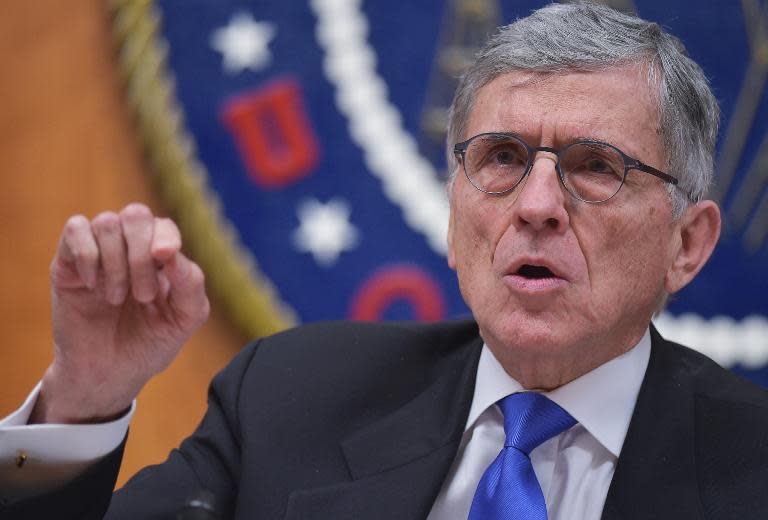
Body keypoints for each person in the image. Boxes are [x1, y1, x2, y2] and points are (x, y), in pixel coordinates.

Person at [2, 2, 767, 519]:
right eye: (501, 157)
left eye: (596, 166)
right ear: (454, 207)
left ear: (687, 243)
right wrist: (85, 400)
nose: (536, 205)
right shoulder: (289, 400)